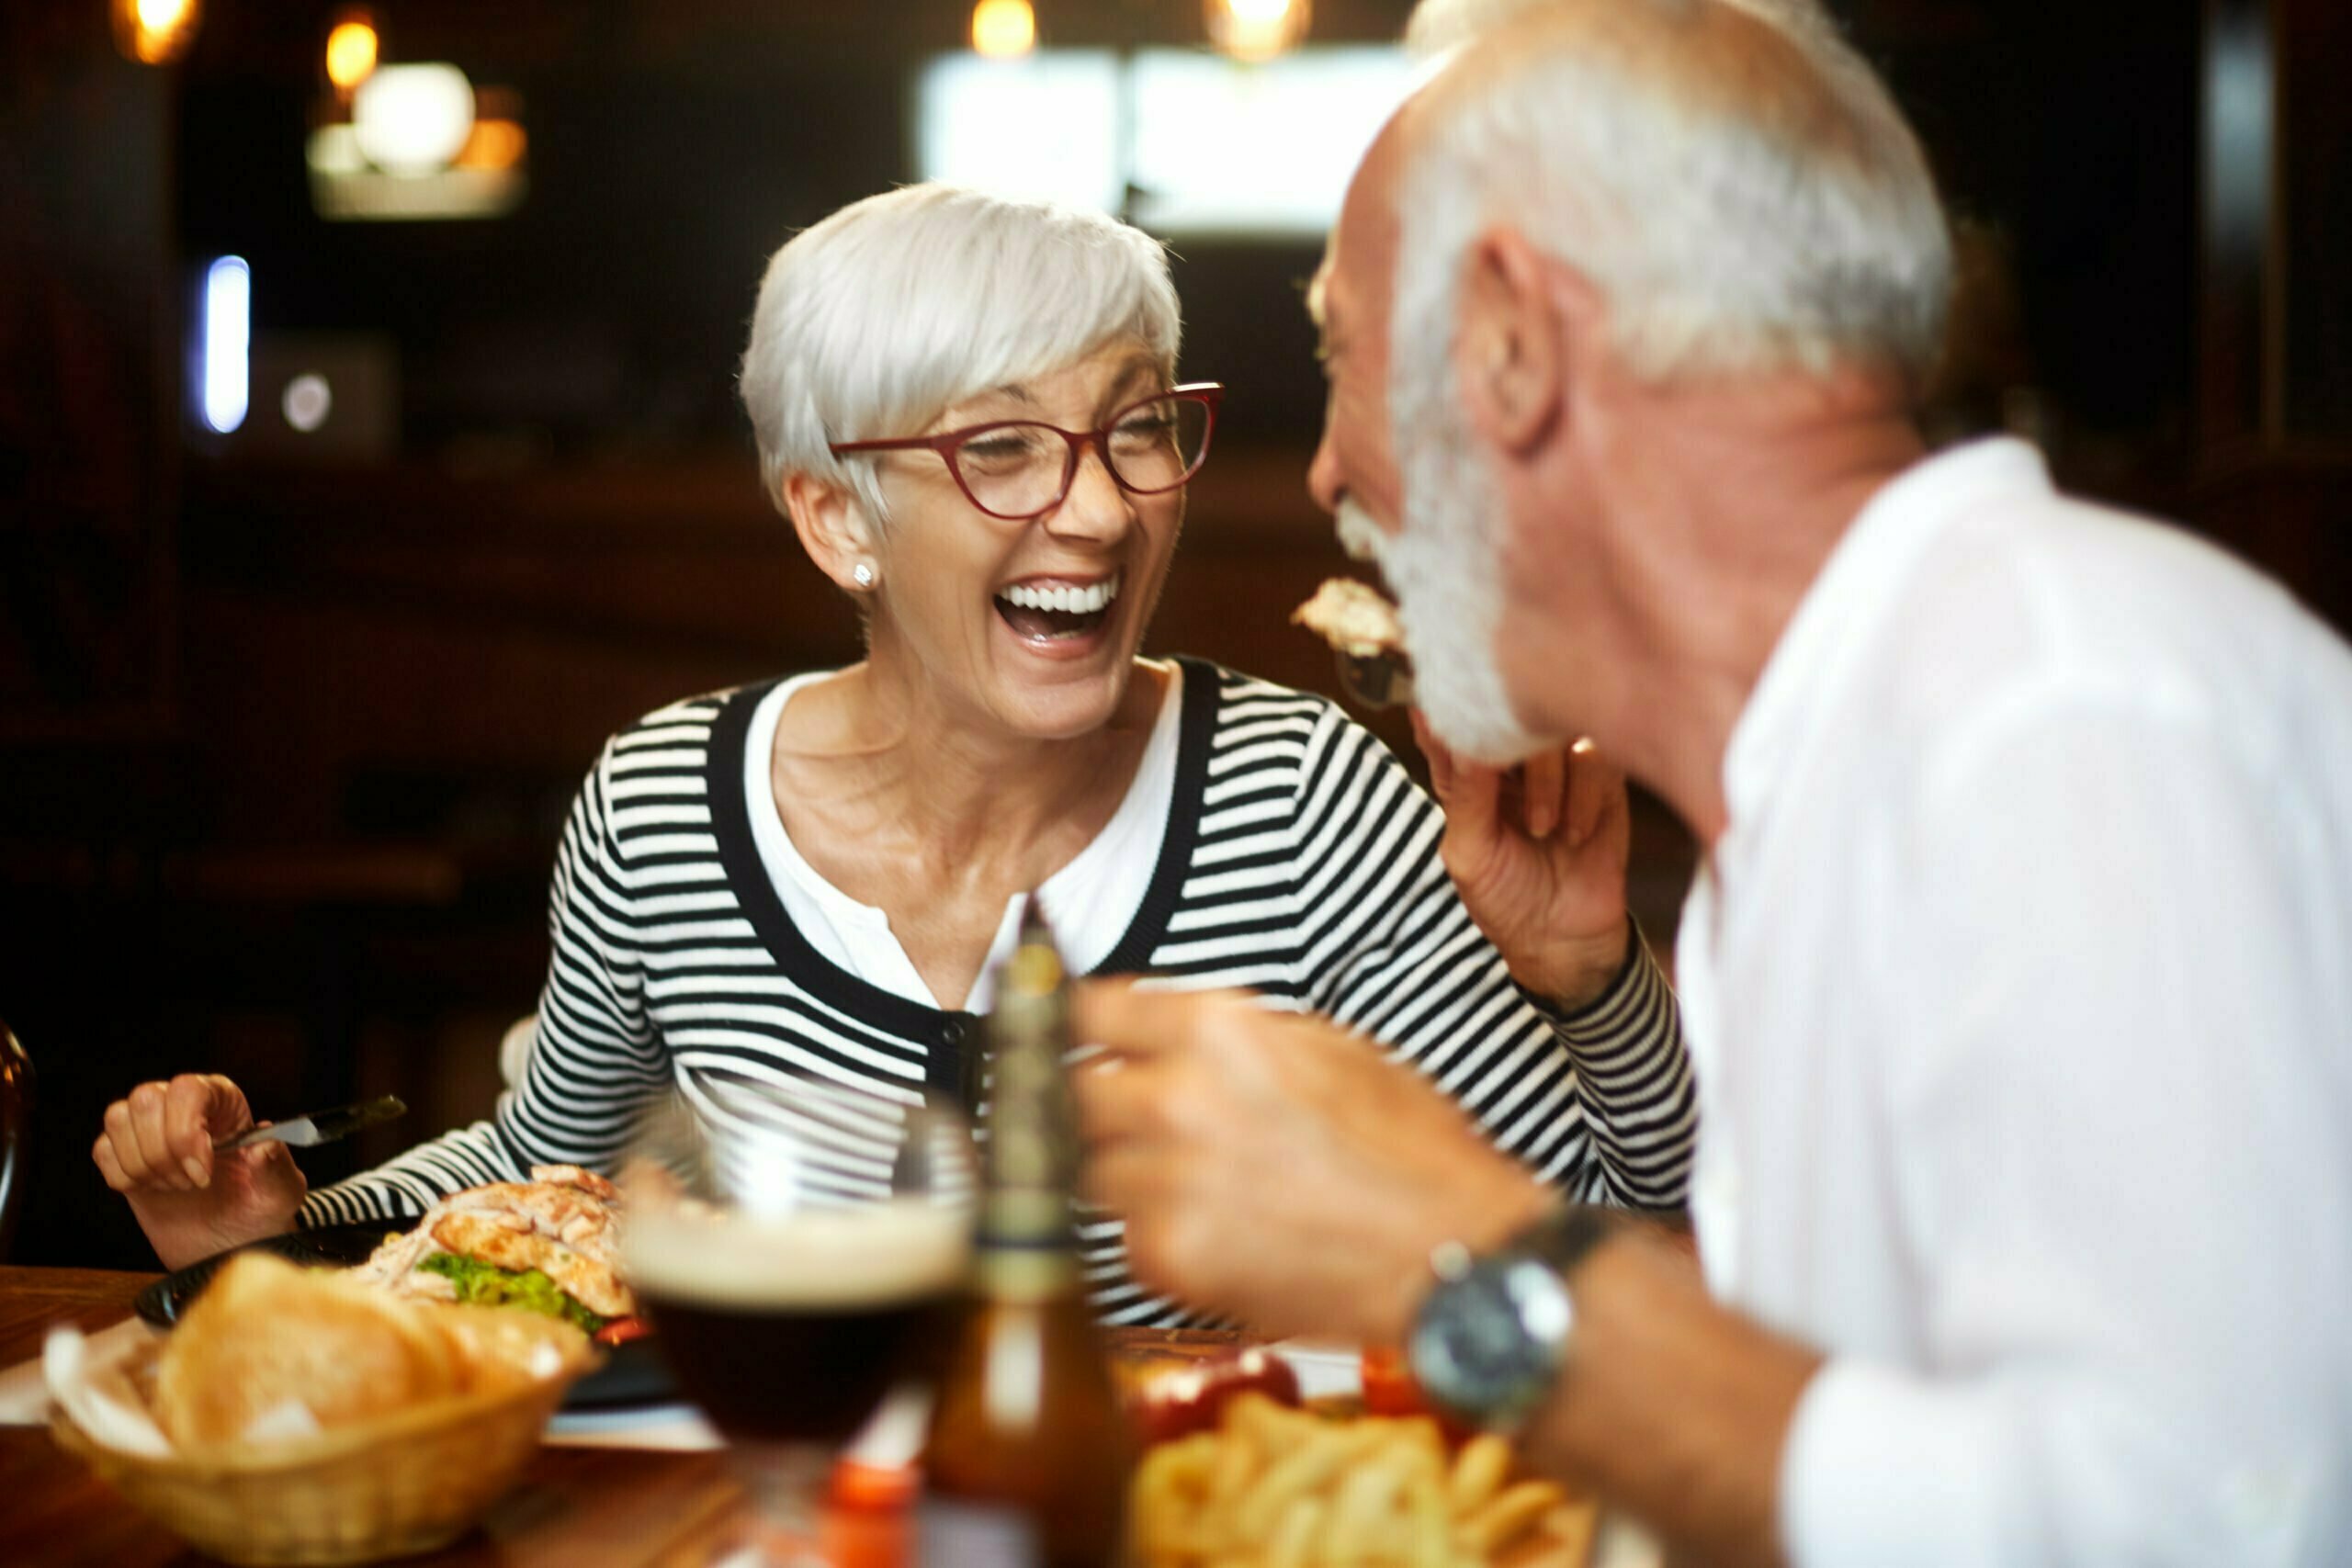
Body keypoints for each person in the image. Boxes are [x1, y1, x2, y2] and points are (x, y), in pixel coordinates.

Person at [1074, 0, 2352, 1560]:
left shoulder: (2055, 702)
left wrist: (1459, 1261)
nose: (1333, 470)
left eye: (1343, 351)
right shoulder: (1812, 799)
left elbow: (2215, 1524)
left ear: (1511, 344)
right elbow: (1827, 1438)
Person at [91, 184, 1696, 1327]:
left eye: (1137, 427)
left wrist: (1588, 980)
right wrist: (270, 1238)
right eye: (1001, 448)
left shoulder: (1298, 802)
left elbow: (1597, 1244)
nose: (1099, 505)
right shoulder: (661, 810)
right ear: (835, 517)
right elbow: (542, 1172)